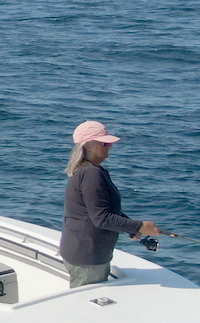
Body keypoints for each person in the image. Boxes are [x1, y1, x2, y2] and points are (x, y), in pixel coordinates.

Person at [58, 120, 162, 288]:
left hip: (84, 252)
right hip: (88, 257)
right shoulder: (92, 174)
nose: (110, 147)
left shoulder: (87, 170)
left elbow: (103, 210)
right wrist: (140, 226)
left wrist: (132, 227)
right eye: (105, 143)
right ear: (89, 145)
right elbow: (101, 218)